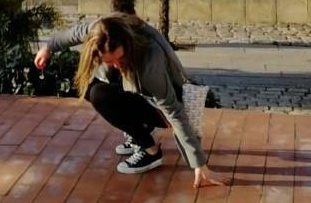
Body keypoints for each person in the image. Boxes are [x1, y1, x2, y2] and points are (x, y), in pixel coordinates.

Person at [35, 13, 228, 188]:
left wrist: (199, 164)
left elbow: (174, 111)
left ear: (128, 45)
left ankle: (150, 150)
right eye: (109, 61)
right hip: (139, 92)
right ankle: (139, 127)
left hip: (162, 108)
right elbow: (74, 33)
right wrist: (47, 48)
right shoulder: (103, 30)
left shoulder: (149, 64)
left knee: (100, 95)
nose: (117, 65)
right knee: (84, 83)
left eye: (120, 58)